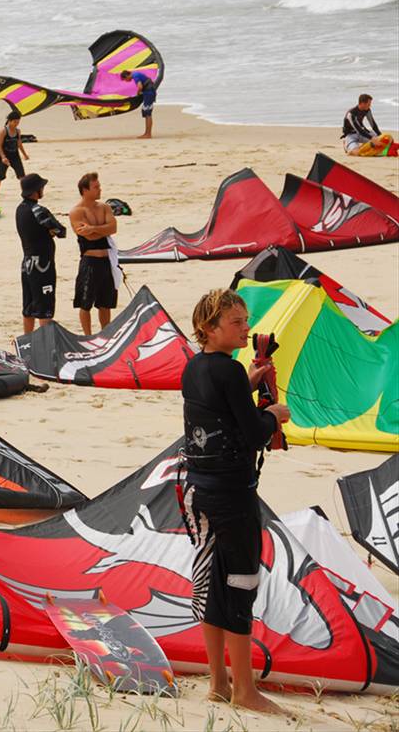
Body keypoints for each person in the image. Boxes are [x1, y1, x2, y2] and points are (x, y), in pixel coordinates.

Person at [181, 288, 291, 715]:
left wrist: (249, 383)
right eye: (237, 323)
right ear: (210, 328)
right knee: (241, 584)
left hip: (198, 492)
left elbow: (218, 406)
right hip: (231, 495)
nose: (246, 329)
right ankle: (246, 690)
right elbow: (252, 433)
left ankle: (218, 684)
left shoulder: (195, 366)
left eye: (246, 320)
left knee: (212, 584)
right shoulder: (227, 370)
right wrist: (273, 416)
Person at [15, 173, 66, 334]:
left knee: (29, 307)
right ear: (35, 191)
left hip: (27, 263)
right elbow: (61, 231)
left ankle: (28, 341)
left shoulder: (20, 209)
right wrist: (49, 232)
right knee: (45, 307)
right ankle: (45, 343)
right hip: (43, 265)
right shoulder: (38, 210)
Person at [69, 172, 118, 333]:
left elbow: (113, 228)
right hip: (90, 261)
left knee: (105, 303)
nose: (99, 189)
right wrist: (101, 230)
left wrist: (93, 228)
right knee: (85, 303)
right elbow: (87, 235)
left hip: (106, 260)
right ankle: (88, 335)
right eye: (96, 187)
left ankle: (106, 333)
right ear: (85, 190)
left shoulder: (104, 207)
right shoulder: (77, 211)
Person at [0, 109, 28, 199]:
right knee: (0, 176)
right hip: (4, 156)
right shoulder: (3, 131)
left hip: (15, 156)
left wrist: (24, 154)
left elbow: (19, 143)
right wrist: (3, 157)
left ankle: (25, 194)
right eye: (15, 122)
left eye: (18, 122)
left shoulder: (18, 131)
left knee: (22, 176)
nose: (16, 124)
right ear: (9, 121)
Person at [120, 69, 156, 138]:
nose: (126, 81)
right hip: (149, 92)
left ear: (126, 76)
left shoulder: (135, 76)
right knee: (147, 113)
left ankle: (148, 134)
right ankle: (147, 133)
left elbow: (140, 86)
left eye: (125, 80)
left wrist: (137, 93)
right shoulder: (136, 74)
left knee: (147, 113)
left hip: (149, 93)